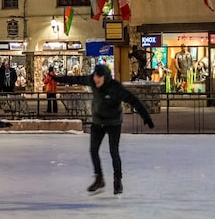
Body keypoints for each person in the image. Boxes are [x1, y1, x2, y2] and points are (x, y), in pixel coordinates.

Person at [54, 64, 154, 195]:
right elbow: (76, 79)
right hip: (98, 122)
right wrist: (57, 79)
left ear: (105, 77)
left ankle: (117, 180)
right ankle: (99, 178)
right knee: (93, 150)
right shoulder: (92, 80)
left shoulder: (115, 87)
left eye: (99, 77)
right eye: (95, 76)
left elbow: (133, 100)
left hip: (113, 122)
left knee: (114, 151)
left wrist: (146, 117)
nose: (96, 80)